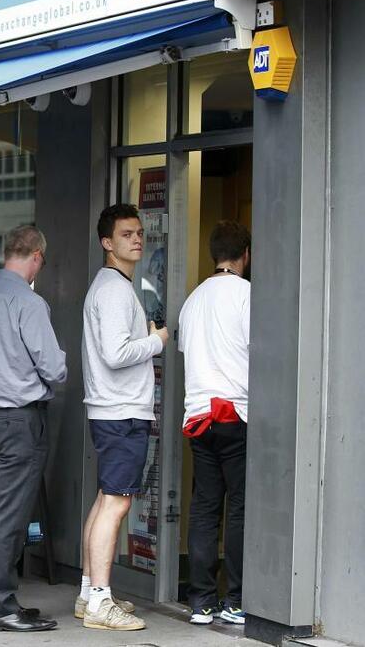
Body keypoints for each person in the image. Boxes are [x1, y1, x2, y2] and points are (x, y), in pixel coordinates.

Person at [0, 225, 67, 632]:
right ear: (36, 256)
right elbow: (53, 367)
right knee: (9, 514)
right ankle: (0, 606)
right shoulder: (29, 302)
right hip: (21, 418)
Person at [79, 205, 167, 631]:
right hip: (121, 410)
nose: (137, 239)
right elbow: (116, 355)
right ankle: (99, 601)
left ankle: (87, 593)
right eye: (127, 234)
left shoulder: (111, 286)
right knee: (116, 503)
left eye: (139, 233)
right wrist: (156, 341)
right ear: (107, 243)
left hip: (111, 409)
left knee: (105, 500)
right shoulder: (114, 289)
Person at [179, 221, 251, 626]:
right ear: (245, 255)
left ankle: (201, 602)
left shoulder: (193, 299)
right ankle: (236, 600)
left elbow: (189, 351)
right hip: (236, 412)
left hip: (199, 417)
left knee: (205, 508)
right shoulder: (246, 295)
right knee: (238, 508)